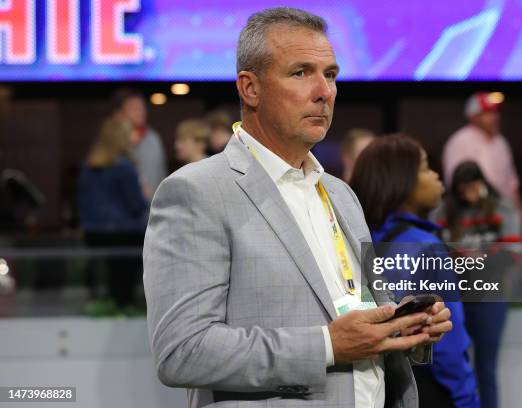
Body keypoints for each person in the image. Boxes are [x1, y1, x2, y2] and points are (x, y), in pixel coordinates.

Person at [144, 7, 452, 408]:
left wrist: (404, 326)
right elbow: (182, 351)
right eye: (301, 73)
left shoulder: (341, 193)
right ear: (250, 89)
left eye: (331, 75)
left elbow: (354, 313)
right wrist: (328, 345)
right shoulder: (196, 192)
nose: (324, 91)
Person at [351, 134, 479, 408]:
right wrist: (466, 398)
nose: (436, 176)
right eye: (425, 168)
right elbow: (447, 340)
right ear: (403, 181)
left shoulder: (353, 241)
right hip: (425, 386)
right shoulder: (426, 247)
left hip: (371, 387)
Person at [432, 161, 522, 408]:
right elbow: (432, 252)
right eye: (464, 190)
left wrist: (482, 258)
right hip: (455, 297)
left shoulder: (502, 209)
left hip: (490, 297)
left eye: (474, 187)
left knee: (486, 367)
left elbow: (513, 253)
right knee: (453, 363)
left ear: (482, 184)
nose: (470, 195)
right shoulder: (444, 212)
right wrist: (457, 256)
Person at [79, 117, 148, 311]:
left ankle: (104, 306)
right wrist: (145, 195)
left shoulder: (88, 166)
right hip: (125, 234)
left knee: (104, 279)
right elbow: (136, 205)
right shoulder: (125, 167)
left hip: (93, 232)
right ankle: (122, 310)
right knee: (122, 284)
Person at [442, 92, 522, 214]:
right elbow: (456, 182)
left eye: (495, 112)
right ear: (473, 116)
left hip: (503, 209)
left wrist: (517, 211)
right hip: (472, 211)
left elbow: (512, 182)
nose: (494, 117)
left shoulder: (501, 141)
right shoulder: (459, 141)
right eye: (488, 113)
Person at [113, 88, 167, 199]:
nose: (140, 112)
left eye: (142, 107)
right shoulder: (111, 140)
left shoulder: (153, 138)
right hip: (122, 211)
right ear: (119, 113)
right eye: (133, 108)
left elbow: (161, 175)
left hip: (152, 209)